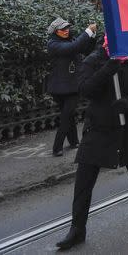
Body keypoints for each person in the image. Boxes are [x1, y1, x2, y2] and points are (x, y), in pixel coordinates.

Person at [56, 36, 128, 251]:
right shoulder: (93, 60)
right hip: (99, 128)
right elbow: (85, 89)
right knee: (84, 179)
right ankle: (77, 228)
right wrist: (109, 67)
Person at [46, 18, 97, 157]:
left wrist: (92, 35)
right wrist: (87, 31)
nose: (66, 30)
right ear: (56, 32)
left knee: (67, 114)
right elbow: (73, 48)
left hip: (72, 86)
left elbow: (85, 49)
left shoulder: (70, 40)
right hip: (59, 88)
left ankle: (73, 141)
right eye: (63, 29)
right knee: (66, 115)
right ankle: (57, 147)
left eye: (67, 28)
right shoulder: (53, 44)